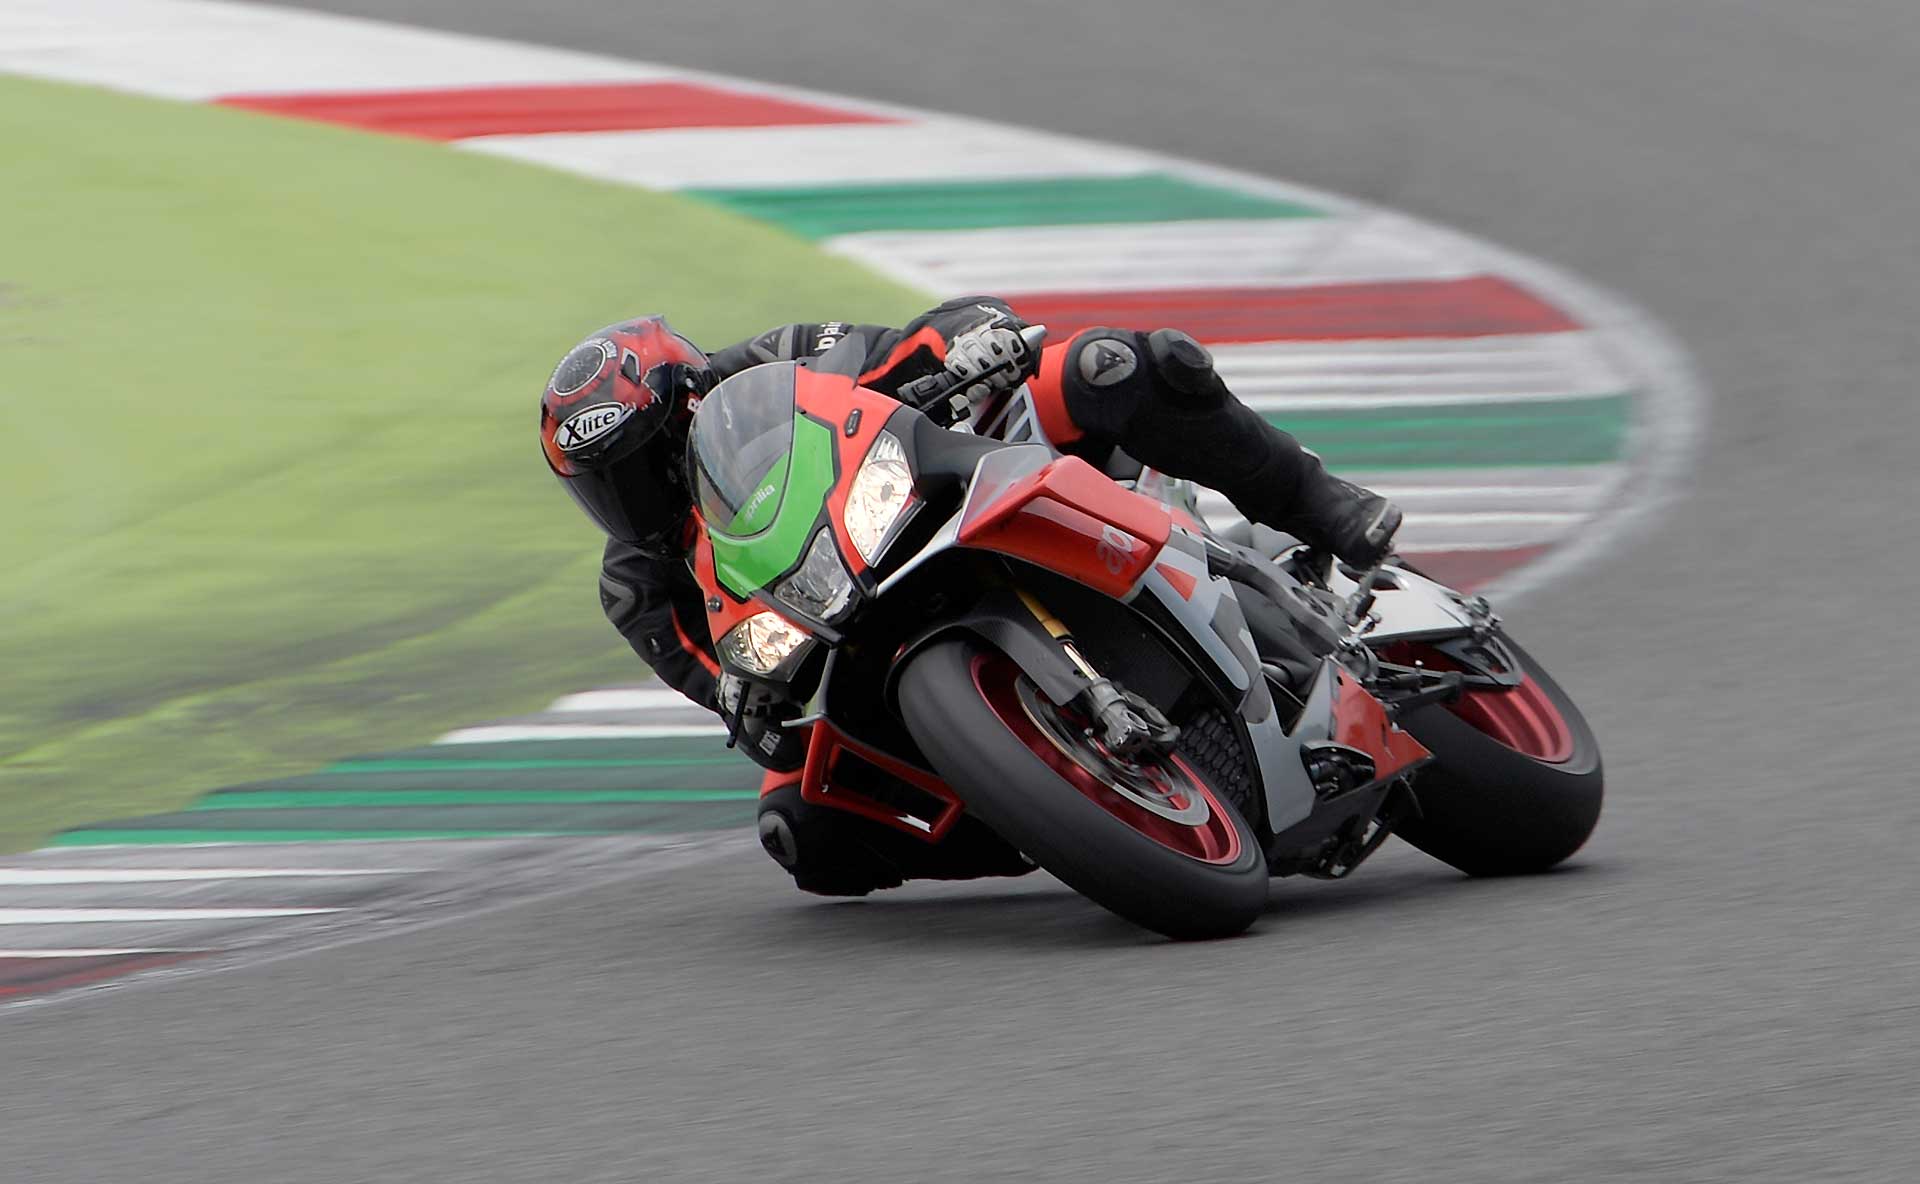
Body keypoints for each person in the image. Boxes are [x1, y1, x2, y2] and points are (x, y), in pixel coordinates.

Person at [539, 297, 1401, 896]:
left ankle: (1318, 504)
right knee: (804, 829)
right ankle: (1058, 814)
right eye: (607, 488)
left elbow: (905, 345)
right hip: (843, 618)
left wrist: (972, 342)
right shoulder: (636, 586)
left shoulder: (774, 361)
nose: (635, 499)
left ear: (690, 407)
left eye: (647, 464)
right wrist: (745, 698)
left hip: (937, 477)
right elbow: (727, 685)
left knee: (1112, 366)